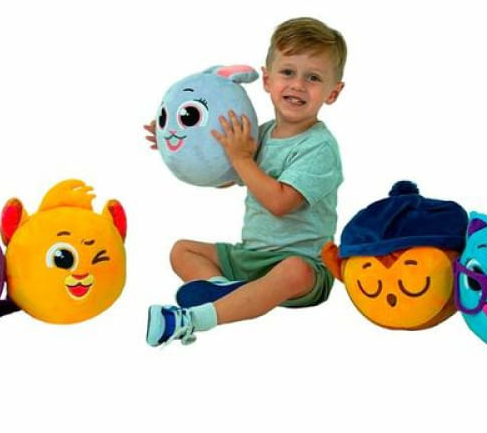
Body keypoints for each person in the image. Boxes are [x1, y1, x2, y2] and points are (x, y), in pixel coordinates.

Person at [144, 17, 347, 345]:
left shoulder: (319, 147)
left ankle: (193, 319)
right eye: (287, 72)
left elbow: (279, 202)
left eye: (313, 77)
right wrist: (181, 143)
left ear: (333, 92)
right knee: (181, 251)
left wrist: (241, 158)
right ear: (267, 79)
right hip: (250, 256)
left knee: (295, 270)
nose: (297, 84)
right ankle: (225, 290)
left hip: (303, 263)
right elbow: (229, 178)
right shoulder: (261, 133)